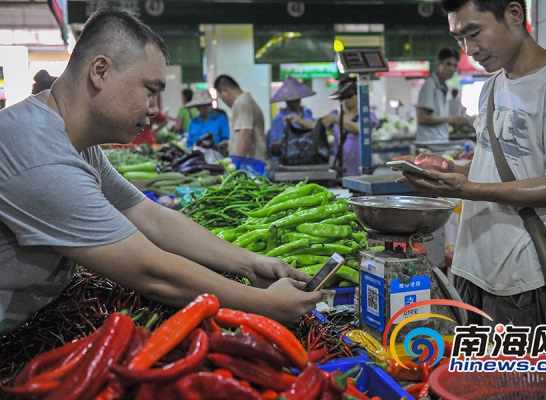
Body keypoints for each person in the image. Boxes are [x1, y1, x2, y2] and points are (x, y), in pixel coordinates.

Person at [0, 8, 322, 336]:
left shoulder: (75, 142)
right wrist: (263, 303)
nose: (154, 108)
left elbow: (150, 216)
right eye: (149, 90)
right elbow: (150, 271)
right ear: (100, 70)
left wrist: (250, 263)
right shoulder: (39, 150)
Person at [394, 0, 546, 328]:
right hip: (471, 265)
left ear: (514, 14)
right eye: (459, 39)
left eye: (474, 33)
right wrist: (447, 171)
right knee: (471, 375)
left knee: (511, 377)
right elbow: (497, 170)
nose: (469, 49)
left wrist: (469, 189)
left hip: (517, 276)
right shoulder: (491, 87)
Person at [286, 76, 380, 177]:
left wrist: (336, 119)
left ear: (358, 96)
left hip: (362, 169)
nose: (345, 101)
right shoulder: (335, 114)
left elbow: (361, 129)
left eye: (349, 96)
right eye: (342, 97)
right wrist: (299, 121)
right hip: (341, 169)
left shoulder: (367, 115)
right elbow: (317, 127)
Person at [415, 47, 470, 142]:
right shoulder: (430, 85)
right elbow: (422, 118)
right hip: (429, 145)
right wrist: (451, 119)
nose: (452, 69)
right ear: (439, 63)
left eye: (454, 65)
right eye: (448, 64)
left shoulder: (443, 87)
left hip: (439, 143)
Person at [214, 75, 267, 161]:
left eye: (221, 98)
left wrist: (237, 163)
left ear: (224, 91)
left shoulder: (241, 103)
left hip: (250, 165)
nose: (223, 101)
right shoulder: (246, 101)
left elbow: (245, 133)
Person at [267, 76, 315, 159]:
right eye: (291, 100)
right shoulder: (280, 119)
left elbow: (315, 127)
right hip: (289, 159)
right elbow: (274, 146)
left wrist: (298, 121)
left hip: (308, 157)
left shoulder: (307, 113)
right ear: (286, 101)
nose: (294, 102)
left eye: (296, 99)